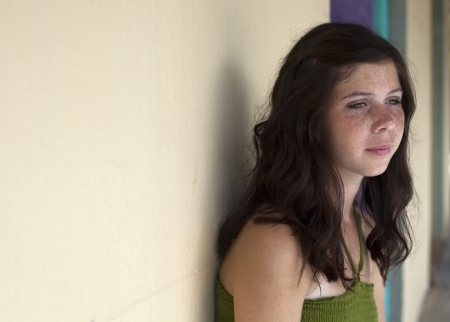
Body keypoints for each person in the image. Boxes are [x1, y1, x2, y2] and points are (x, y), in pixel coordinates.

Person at [215, 22, 415, 322]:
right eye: (359, 104)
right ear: (309, 118)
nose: (386, 121)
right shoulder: (278, 243)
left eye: (393, 100)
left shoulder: (365, 230)